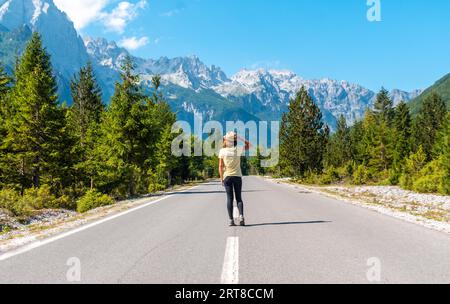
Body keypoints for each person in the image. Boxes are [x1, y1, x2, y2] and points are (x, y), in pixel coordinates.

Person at [219, 132, 251, 227]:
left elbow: (220, 166)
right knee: (238, 198)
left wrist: (221, 179)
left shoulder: (222, 151)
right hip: (237, 176)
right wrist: (240, 137)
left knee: (229, 198)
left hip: (227, 177)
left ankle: (231, 220)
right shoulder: (238, 149)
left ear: (226, 141)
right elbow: (249, 145)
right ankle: (241, 216)